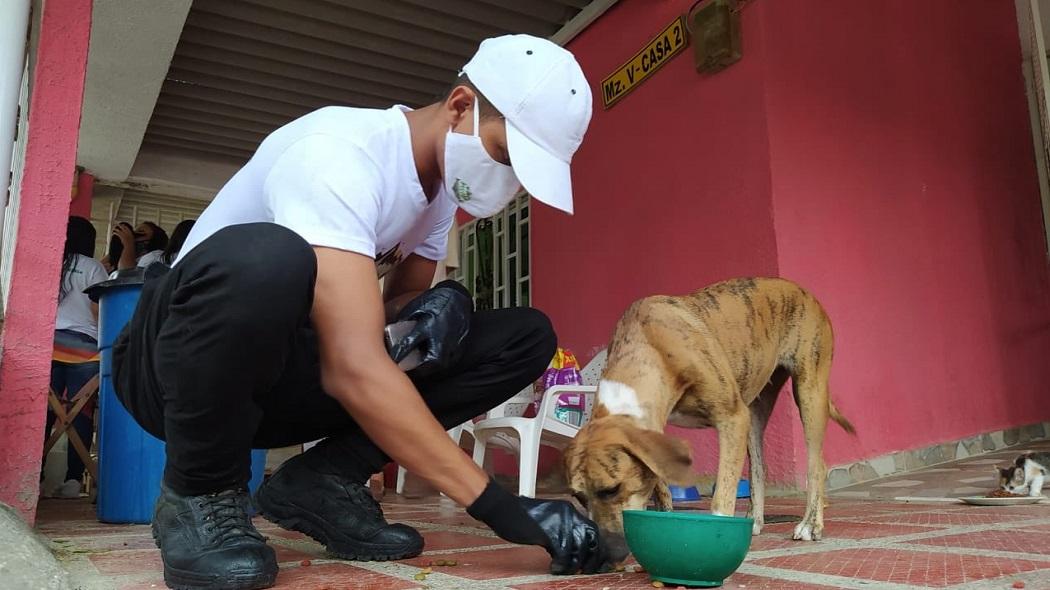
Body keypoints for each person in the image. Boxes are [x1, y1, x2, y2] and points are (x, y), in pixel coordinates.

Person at [114, 34, 605, 590]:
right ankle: (197, 494)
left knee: (524, 335)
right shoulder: (337, 152)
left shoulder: (439, 192)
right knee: (271, 257)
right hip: (175, 372)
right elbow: (355, 363)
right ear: (462, 105)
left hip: (286, 373)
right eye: (506, 156)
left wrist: (448, 304)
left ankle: (324, 481)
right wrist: (500, 506)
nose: (509, 182)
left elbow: (394, 319)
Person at [45, 216, 108, 498]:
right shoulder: (92, 267)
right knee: (79, 411)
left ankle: (35, 475)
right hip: (83, 349)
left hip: (48, 345)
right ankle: (73, 479)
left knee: (45, 410)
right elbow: (100, 311)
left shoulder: (51, 263)